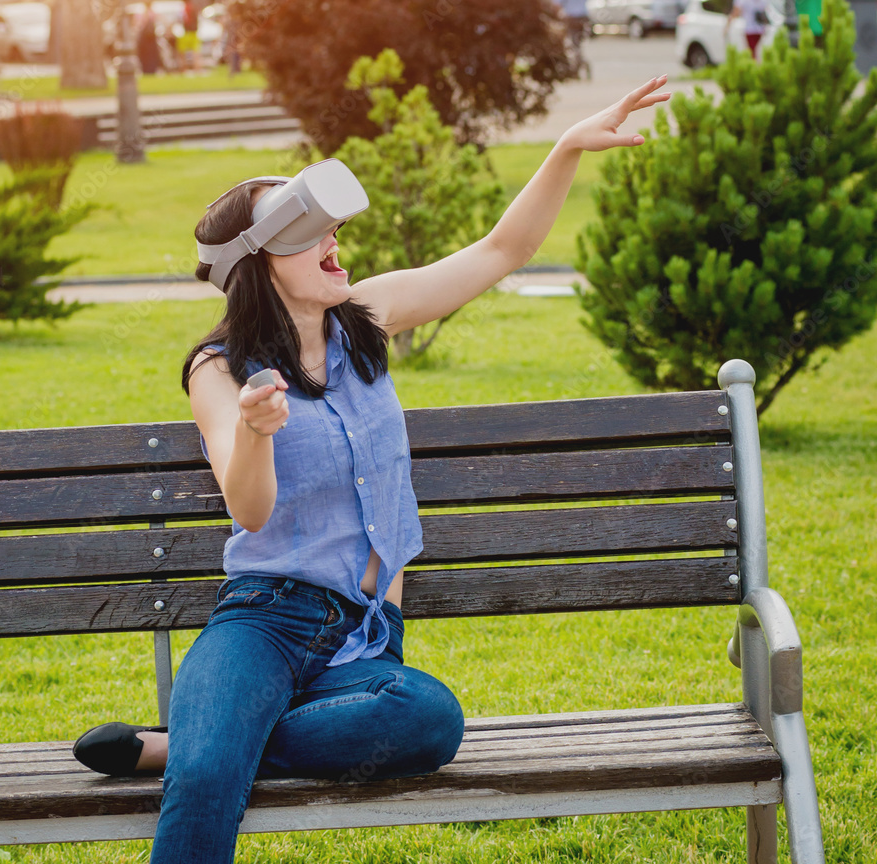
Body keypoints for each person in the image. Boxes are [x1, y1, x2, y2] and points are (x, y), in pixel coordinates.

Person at [72, 74, 671, 864]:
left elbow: (502, 250)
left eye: (331, 228)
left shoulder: (367, 322)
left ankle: (186, 743)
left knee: (428, 718)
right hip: (264, 623)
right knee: (209, 779)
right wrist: (255, 431)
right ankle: (207, 744)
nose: (334, 242)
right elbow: (249, 510)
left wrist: (564, 148)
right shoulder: (218, 369)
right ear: (256, 263)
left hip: (366, 644)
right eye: (309, 232)